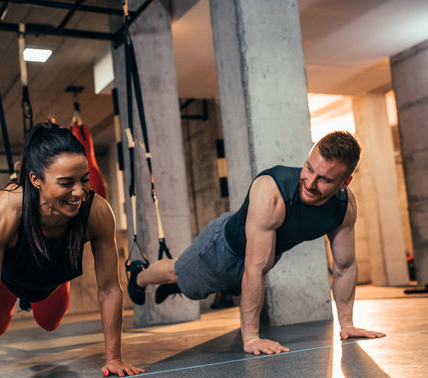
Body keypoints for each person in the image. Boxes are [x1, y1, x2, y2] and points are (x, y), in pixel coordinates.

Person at [126, 131, 385, 355]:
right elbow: (254, 269)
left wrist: (347, 324)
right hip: (222, 248)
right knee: (179, 273)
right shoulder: (272, 191)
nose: (310, 183)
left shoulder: (344, 206)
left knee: (205, 287)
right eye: (309, 168)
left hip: (262, 252)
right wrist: (251, 338)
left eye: (325, 179)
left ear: (345, 182)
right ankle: (139, 276)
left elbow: (344, 266)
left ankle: (180, 286)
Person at [0, 121, 144, 378]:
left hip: (53, 279)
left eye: (84, 180)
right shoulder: (1, 213)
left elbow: (109, 289)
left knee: (50, 323)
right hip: (7, 282)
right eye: (66, 183)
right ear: (35, 179)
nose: (78, 192)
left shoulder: (96, 211)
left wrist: (114, 358)